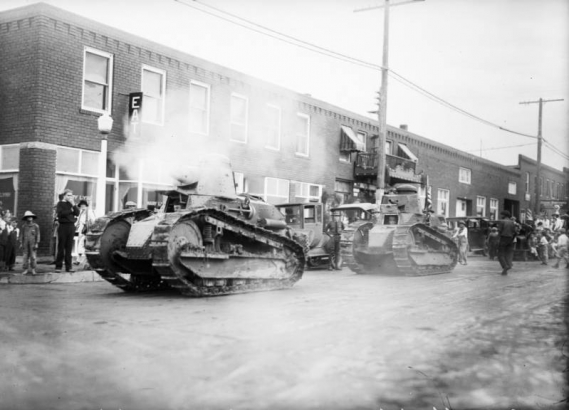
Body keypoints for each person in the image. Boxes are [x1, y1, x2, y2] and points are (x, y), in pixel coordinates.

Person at [55, 189, 80, 273]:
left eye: (71, 195)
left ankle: (68, 267)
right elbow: (60, 214)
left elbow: (77, 213)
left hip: (71, 226)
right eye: (68, 195)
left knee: (69, 247)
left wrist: (73, 205)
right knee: (61, 247)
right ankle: (58, 266)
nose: (70, 197)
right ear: (64, 195)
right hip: (63, 226)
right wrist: (70, 211)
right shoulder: (60, 204)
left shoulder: (72, 204)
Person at [74, 199, 95, 268]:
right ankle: (79, 260)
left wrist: (88, 224)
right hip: (81, 231)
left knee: (81, 245)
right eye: (81, 206)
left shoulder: (89, 212)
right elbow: (77, 222)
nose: (82, 207)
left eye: (84, 205)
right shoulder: (80, 213)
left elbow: (93, 221)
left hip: (87, 232)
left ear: (86, 206)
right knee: (81, 245)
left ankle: (83, 261)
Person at [20, 211, 40, 276]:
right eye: (28, 217)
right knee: (25, 256)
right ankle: (25, 269)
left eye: (31, 216)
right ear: (26, 218)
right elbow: (21, 235)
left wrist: (37, 243)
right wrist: (21, 243)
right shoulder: (24, 226)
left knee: (33, 256)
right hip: (25, 243)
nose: (30, 218)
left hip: (33, 243)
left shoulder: (36, 226)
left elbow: (38, 235)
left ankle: (33, 269)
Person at [497, 210, 516, 276]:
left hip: (503, 238)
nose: (501, 216)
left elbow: (499, 231)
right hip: (510, 239)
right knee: (507, 254)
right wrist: (511, 239)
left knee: (500, 254)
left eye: (502, 214)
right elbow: (514, 232)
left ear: (504, 215)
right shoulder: (512, 222)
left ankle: (505, 266)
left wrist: (498, 239)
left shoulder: (502, 221)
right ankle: (508, 266)